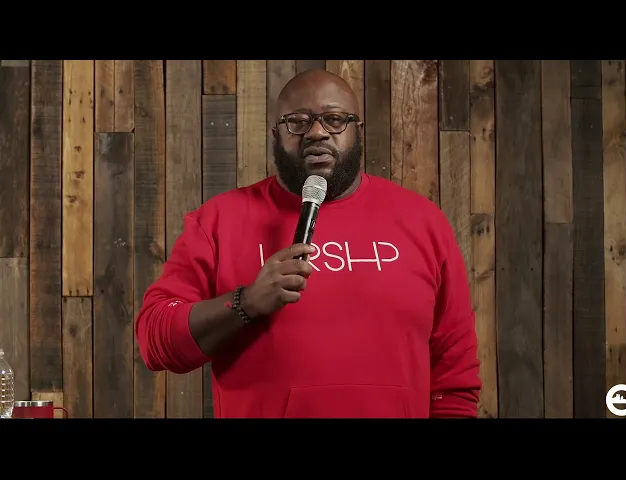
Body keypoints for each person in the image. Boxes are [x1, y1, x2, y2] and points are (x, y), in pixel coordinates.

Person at [135, 69, 481, 418]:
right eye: (298, 122)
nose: (316, 132)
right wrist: (246, 303)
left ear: (358, 131)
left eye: (334, 119)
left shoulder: (423, 221)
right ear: (276, 135)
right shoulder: (218, 221)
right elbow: (155, 340)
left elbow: (454, 377)